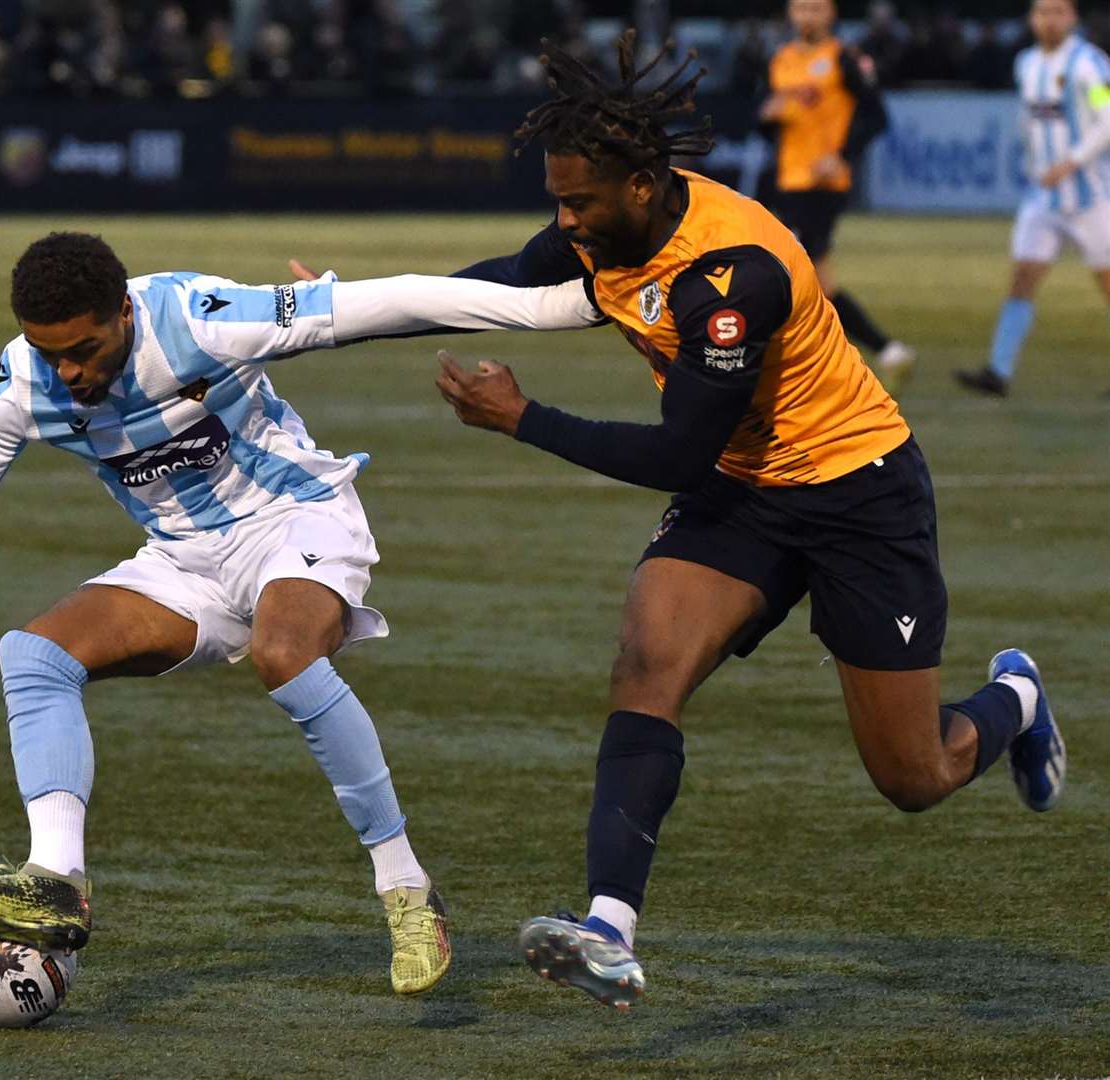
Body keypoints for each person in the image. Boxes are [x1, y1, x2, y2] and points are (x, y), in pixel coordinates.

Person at [0, 231, 602, 995]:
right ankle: (57, 882)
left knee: (284, 654)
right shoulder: (20, 387)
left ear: (123, 310)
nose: (70, 375)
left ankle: (406, 888)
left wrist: (565, 306)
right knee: (31, 654)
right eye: (50, 354)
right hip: (184, 561)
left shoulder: (199, 320)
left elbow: (397, 298)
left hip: (295, 520)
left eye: (85, 350)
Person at [430, 32, 1066, 1011]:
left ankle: (1014, 700)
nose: (563, 222)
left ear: (641, 184)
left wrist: (522, 418)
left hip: (859, 494)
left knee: (912, 775)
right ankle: (609, 929)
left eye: (577, 203)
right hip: (742, 494)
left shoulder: (733, 275)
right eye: (555, 201)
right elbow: (507, 280)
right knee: (647, 659)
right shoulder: (604, 229)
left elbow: (673, 457)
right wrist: (327, 306)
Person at [956, 0, 1110, 397]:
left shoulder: (1088, 64)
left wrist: (1071, 162)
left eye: (1059, 12)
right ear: (1031, 19)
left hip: (1091, 196)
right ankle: (998, 372)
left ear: (1073, 17)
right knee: (1023, 277)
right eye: (1044, 12)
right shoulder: (1026, 63)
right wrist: (1035, 163)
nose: (1051, 20)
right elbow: (1029, 120)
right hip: (1043, 196)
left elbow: (1107, 117)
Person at [760, 0, 916, 394]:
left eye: (816, 9)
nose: (807, 16)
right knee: (818, 281)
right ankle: (886, 350)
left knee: (787, 271)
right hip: (789, 180)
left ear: (831, 14)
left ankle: (801, 362)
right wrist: (767, 116)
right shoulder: (781, 60)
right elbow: (769, 125)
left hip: (823, 184)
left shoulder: (845, 59)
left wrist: (840, 156)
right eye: (801, 9)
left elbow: (877, 116)